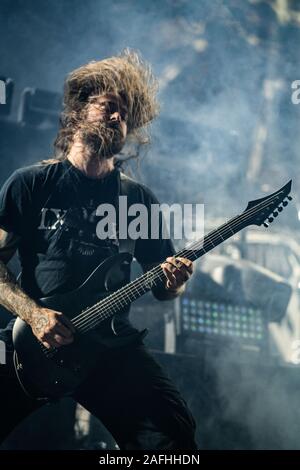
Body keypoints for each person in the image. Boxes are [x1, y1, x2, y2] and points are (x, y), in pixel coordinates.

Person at [0, 50, 197, 450]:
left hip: (109, 347)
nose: (116, 119)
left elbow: (163, 286)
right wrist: (34, 315)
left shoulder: (138, 199)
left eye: (124, 115)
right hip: (32, 342)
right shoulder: (31, 183)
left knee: (172, 435)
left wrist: (176, 282)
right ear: (78, 110)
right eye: (109, 107)